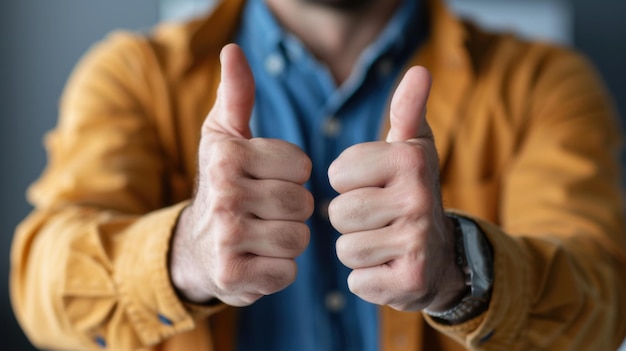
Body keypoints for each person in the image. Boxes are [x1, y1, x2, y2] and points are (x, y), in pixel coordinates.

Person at [9, 0, 626, 349]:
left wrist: (462, 271)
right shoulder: (133, 76)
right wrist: (182, 257)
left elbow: (601, 302)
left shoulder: (543, 84)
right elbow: (43, 287)